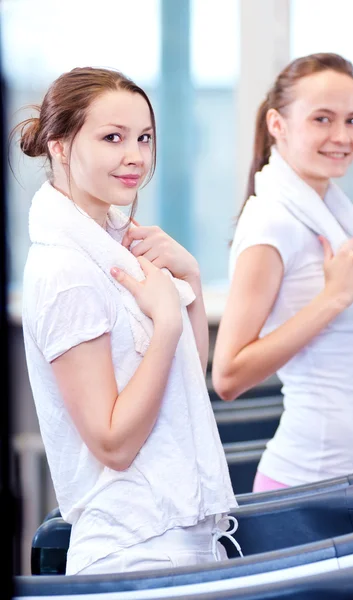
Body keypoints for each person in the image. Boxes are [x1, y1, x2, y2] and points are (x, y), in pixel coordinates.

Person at [14, 66, 239, 575]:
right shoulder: (67, 272)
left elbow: (183, 377)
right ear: (60, 146)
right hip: (135, 550)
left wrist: (192, 283)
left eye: (143, 137)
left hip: (173, 538)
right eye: (112, 137)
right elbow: (113, 444)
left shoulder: (117, 244)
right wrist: (165, 324)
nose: (135, 155)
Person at [212, 53, 353, 493]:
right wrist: (334, 297)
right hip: (305, 484)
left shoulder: (329, 217)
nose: (342, 136)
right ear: (277, 124)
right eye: (322, 119)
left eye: (352, 120)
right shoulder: (270, 223)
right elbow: (227, 376)